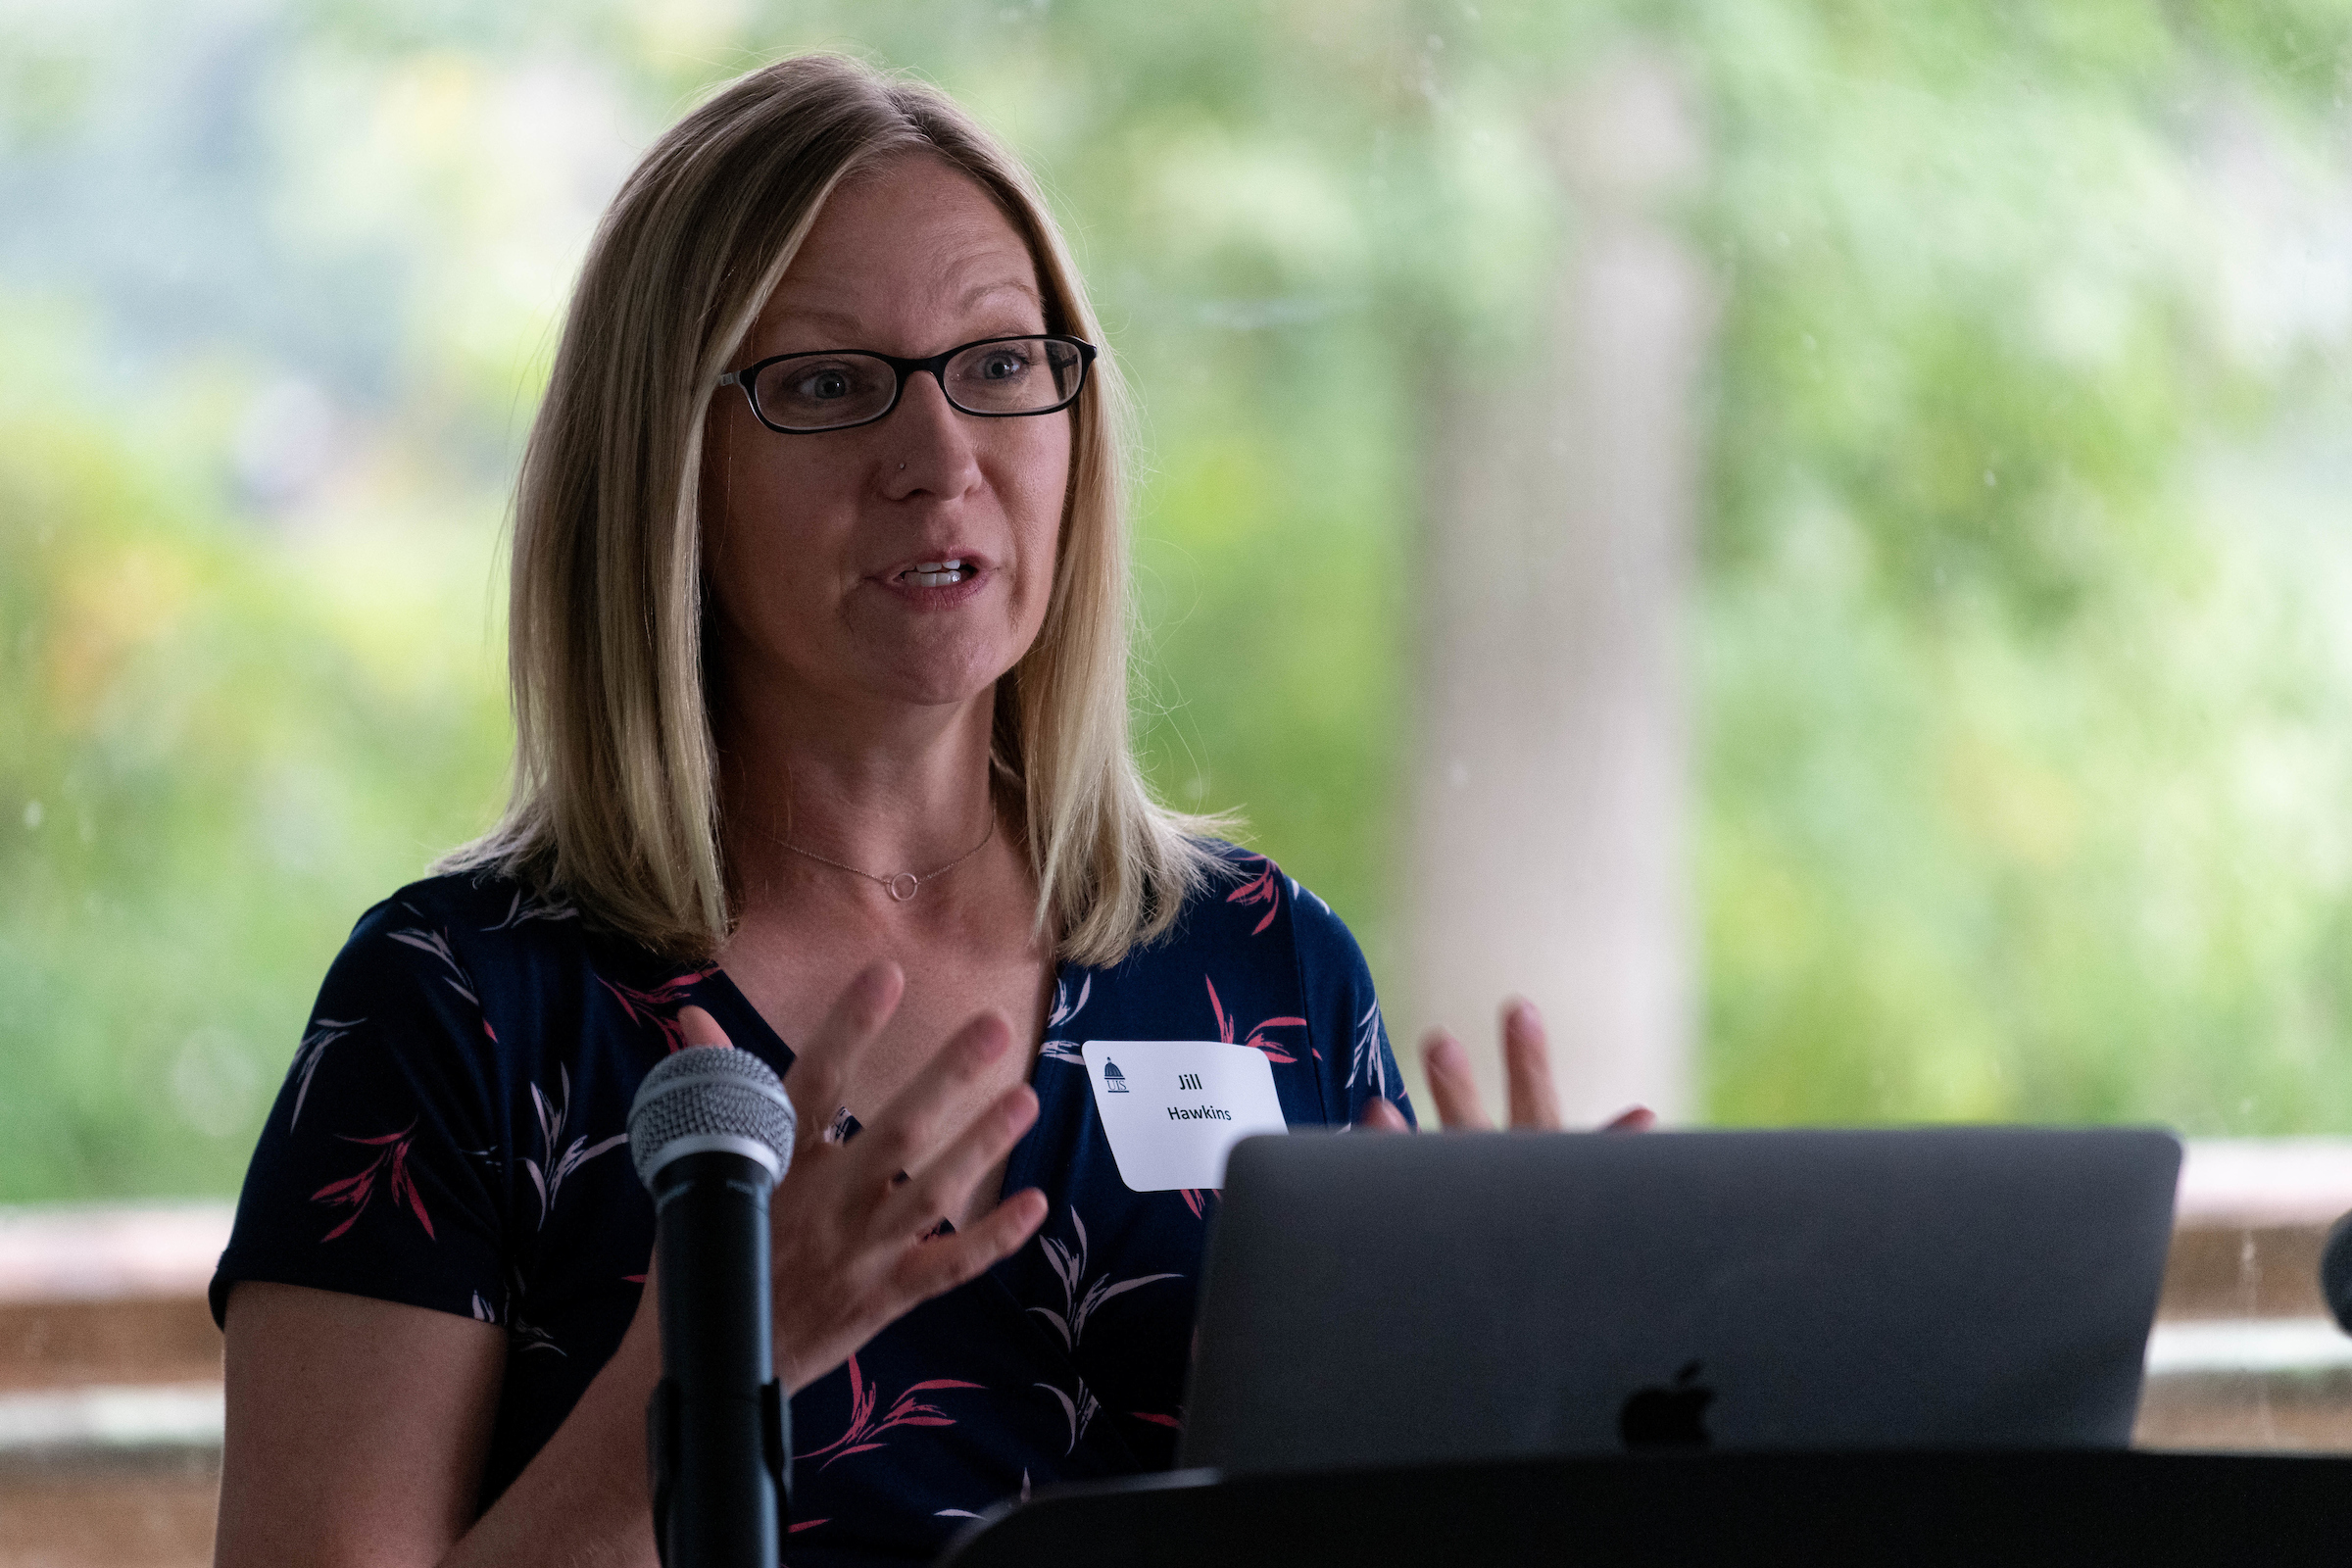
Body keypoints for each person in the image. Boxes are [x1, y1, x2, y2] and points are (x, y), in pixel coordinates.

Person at [209, 53, 1625, 1568]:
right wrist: (698, 1390)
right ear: (664, 466)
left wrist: (1523, 1402)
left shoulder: (1267, 967)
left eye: (1004, 365)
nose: (940, 459)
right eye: (827, 385)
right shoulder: (457, 1016)